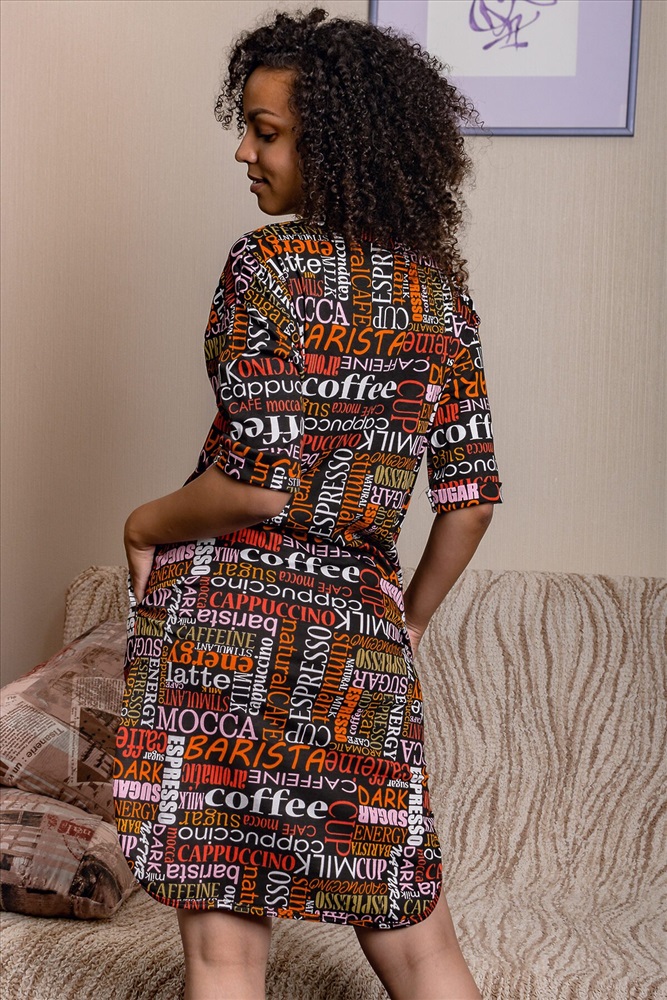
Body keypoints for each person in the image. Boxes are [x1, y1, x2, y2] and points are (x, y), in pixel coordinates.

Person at [114, 8, 502, 1000]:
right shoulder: (441, 297)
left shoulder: (264, 267)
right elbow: (469, 503)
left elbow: (258, 482)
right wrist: (405, 620)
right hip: (356, 643)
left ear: (332, 141)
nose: (243, 152)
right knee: (420, 946)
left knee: (227, 956)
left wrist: (143, 524)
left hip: (223, 636)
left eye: (266, 132)